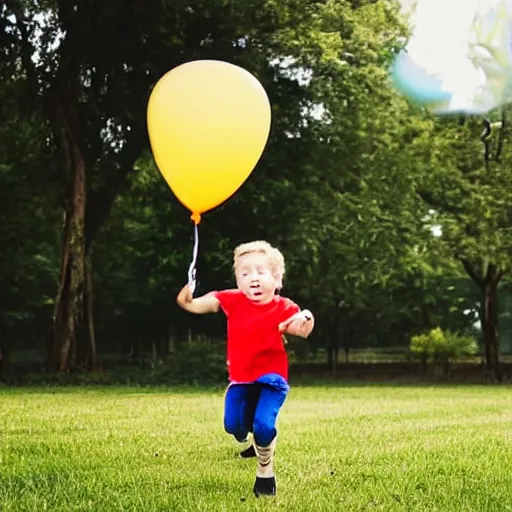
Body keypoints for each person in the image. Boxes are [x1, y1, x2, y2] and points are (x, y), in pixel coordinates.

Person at [176, 240, 314, 497]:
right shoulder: (232, 300)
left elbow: (301, 327)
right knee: (234, 426)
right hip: (241, 379)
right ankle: (249, 435)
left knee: (263, 425)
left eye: (261, 272)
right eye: (245, 273)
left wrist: (305, 318)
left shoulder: (283, 306)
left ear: (276, 278)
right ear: (238, 280)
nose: (254, 279)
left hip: (273, 379)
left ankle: (265, 471)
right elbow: (192, 304)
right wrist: (186, 295)